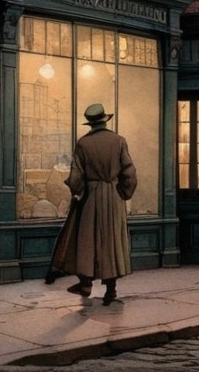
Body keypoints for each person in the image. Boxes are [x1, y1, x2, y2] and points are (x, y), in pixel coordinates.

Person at [60, 103, 138, 305]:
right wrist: (122, 192)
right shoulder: (119, 141)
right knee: (111, 241)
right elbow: (129, 173)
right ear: (105, 120)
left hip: (90, 197)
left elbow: (76, 177)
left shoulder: (83, 144)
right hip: (113, 197)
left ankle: (85, 284)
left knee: (87, 240)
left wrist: (78, 192)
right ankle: (111, 291)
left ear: (90, 123)